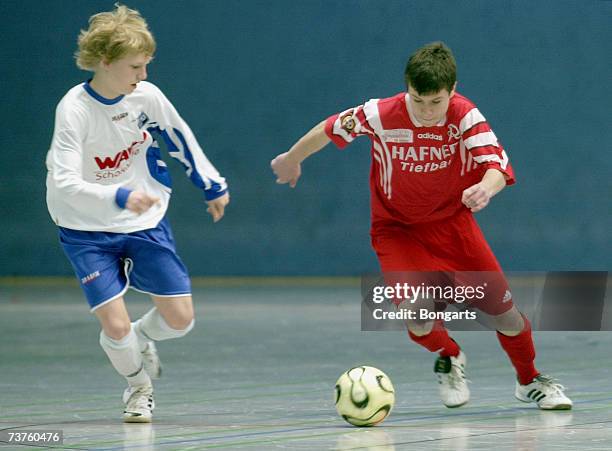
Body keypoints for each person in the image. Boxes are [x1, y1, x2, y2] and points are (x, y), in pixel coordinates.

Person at [271, 42, 572, 410]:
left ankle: (528, 381)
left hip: (452, 226)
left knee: (505, 317)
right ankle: (449, 356)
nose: (427, 112)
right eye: (418, 100)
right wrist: (292, 158)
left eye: (436, 101)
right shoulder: (380, 114)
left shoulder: (465, 117)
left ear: (453, 91)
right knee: (417, 317)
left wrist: (486, 189)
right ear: (407, 88)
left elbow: (497, 166)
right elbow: (330, 127)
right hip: (396, 229)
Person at [46, 4, 229, 422]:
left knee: (181, 321)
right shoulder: (73, 110)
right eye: (134, 67)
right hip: (84, 227)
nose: (142, 76)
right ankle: (138, 387)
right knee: (113, 325)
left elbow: (179, 135)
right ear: (105, 62)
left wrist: (212, 185)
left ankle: (142, 337)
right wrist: (119, 196)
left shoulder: (145, 96)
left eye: (146, 66)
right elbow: (64, 184)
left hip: (143, 220)